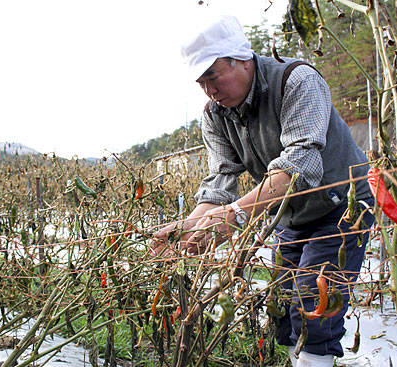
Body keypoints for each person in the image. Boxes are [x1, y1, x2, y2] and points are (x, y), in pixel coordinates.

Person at [154, 15, 374, 367]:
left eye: (213, 75)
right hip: (289, 215)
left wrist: (236, 214)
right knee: (282, 306)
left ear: (242, 57)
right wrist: (192, 226)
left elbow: (300, 166)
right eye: (200, 81)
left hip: (340, 206)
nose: (209, 89)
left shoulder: (297, 81)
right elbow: (220, 181)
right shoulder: (215, 115)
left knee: (313, 302)